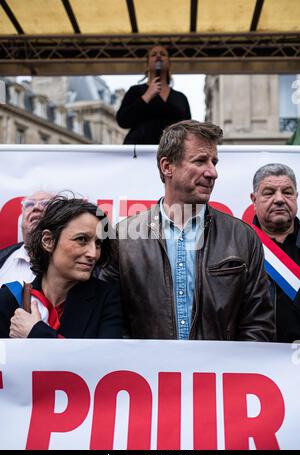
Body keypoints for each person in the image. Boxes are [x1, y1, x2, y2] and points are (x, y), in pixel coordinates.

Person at [100, 120, 275, 341]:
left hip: (219, 374)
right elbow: (110, 322)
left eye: (214, 162)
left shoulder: (242, 237)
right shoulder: (122, 238)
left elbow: (258, 323)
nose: (212, 172)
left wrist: (233, 371)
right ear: (167, 166)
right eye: (200, 161)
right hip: (147, 374)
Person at [0, 196, 123, 339]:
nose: (93, 253)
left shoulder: (107, 299)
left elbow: (104, 359)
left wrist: (36, 332)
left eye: (98, 244)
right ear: (48, 241)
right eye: (81, 239)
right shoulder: (10, 298)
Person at [251, 163, 300, 342]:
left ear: (296, 196)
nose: (279, 199)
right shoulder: (237, 247)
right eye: (269, 192)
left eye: (287, 192)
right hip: (257, 360)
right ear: (253, 200)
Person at [116, 45, 191, 144]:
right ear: (147, 65)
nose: (158, 56)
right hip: (139, 151)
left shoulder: (180, 98)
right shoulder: (135, 91)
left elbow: (188, 130)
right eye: (154, 54)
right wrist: (146, 96)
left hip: (171, 152)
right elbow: (123, 121)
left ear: (169, 64)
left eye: (163, 54)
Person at [0, 190, 54, 286]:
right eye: (29, 204)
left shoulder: (71, 263)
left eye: (46, 203)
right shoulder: (3, 257)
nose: (36, 207)